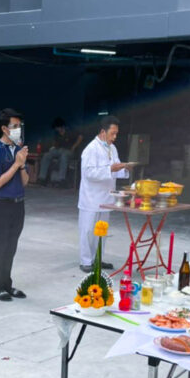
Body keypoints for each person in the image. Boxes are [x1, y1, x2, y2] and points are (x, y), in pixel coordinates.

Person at [78, 116, 134, 272]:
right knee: (88, 231)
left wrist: (124, 168)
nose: (114, 137)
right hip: (91, 198)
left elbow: (115, 169)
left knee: (102, 231)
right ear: (103, 132)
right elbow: (89, 173)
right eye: (112, 133)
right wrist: (110, 169)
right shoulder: (91, 149)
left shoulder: (112, 148)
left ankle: (98, 258)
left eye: (116, 134)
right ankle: (86, 261)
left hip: (106, 197)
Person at [0, 108, 29, 301]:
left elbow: (25, 181)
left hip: (18, 203)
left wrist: (22, 165)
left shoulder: (18, 149)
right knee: (1, 244)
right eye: (15, 126)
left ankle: (7, 284)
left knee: (12, 245)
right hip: (2, 205)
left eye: (19, 126)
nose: (18, 129)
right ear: (4, 128)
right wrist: (16, 164)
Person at [39, 118, 83, 186]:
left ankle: (61, 179)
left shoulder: (70, 131)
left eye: (58, 127)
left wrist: (74, 146)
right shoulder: (57, 134)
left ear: (62, 126)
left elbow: (80, 137)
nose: (57, 129)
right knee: (47, 155)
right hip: (59, 150)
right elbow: (55, 143)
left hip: (69, 151)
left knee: (64, 155)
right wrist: (53, 147)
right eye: (56, 128)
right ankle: (42, 178)